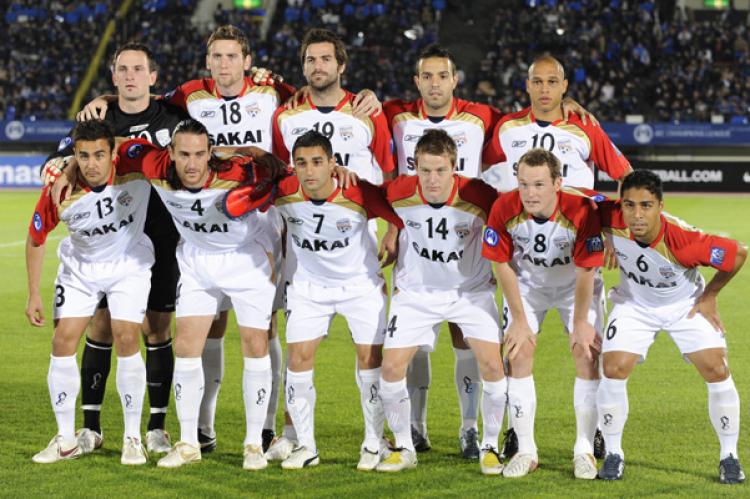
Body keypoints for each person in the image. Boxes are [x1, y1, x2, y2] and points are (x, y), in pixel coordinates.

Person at [384, 45, 600, 458]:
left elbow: (533, 119)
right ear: (417, 82)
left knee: (468, 345)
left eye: (441, 76)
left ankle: (472, 430)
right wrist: (393, 226)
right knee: (411, 348)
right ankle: (414, 427)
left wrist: (561, 107)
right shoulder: (394, 113)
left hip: (467, 253)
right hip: (417, 255)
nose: (434, 83)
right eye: (426, 76)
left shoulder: (485, 118)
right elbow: (374, 189)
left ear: (454, 80)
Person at [223, 130, 403, 470]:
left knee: (370, 360)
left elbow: (399, 213)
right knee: (298, 362)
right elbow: (257, 162)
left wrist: (393, 236)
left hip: (359, 286)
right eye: (302, 163)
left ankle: (374, 441)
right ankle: (306, 445)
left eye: (318, 162)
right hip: (309, 288)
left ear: (333, 164)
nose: (310, 171)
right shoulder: (285, 191)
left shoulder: (358, 190)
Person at [41, 42, 187, 456]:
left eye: (138, 69)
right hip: (110, 243)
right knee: (101, 329)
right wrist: (65, 165)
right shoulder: (96, 118)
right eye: (122, 69)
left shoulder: (172, 117)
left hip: (162, 236)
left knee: (156, 330)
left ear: (153, 77)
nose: (130, 76)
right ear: (113, 77)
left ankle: (156, 427)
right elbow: (53, 163)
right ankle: (91, 428)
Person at [268, 27, 396, 460]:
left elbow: (389, 172)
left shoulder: (366, 111)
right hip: (301, 240)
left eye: (326, 59)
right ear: (302, 67)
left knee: (376, 354)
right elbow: (274, 172)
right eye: (310, 60)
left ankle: (381, 436)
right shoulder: (285, 114)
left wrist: (393, 227)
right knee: (295, 350)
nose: (317, 67)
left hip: (356, 230)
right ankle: (294, 437)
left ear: (341, 66)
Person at [595, 170, 747, 483]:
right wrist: (603, 236)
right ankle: (613, 453)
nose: (637, 214)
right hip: (634, 305)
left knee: (716, 369)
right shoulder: (610, 216)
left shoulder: (684, 241)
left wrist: (711, 295)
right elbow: (582, 203)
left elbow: (738, 253)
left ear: (660, 206)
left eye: (646, 206)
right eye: (629, 205)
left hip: (684, 306)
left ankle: (729, 456)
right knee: (613, 367)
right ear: (621, 205)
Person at [376, 129, 507, 475]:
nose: (432, 180)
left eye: (440, 171)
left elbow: (510, 215)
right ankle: (404, 445)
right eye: (424, 170)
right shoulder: (400, 191)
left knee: (493, 367)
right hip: (416, 293)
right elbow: (369, 198)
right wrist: (391, 230)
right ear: (414, 167)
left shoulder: (479, 195)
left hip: (471, 292)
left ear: (455, 167)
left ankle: (489, 445)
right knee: (390, 369)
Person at [26, 120, 152, 465]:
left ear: (113, 153)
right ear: (75, 156)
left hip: (128, 264)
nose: (92, 163)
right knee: (62, 340)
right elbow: (36, 238)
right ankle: (66, 439)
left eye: (100, 154)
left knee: (127, 336)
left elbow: (162, 150)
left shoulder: (134, 163)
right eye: (83, 156)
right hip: (80, 268)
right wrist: (33, 293)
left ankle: (132, 438)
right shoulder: (59, 192)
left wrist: (67, 164)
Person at [481, 148, 605, 479]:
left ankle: (584, 449)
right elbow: (501, 262)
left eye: (538, 185)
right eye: (523, 184)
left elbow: (585, 272)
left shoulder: (581, 210)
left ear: (558, 184)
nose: (530, 194)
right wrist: (520, 320)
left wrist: (580, 323)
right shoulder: (504, 207)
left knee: (587, 354)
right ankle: (526, 449)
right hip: (527, 287)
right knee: (518, 353)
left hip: (573, 288)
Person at [482, 55, 632, 193]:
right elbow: (480, 165)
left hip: (574, 221)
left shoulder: (586, 126)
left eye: (552, 82)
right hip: (522, 221)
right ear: (528, 85)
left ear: (564, 85)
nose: (544, 89)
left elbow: (627, 175)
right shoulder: (508, 127)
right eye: (537, 82)